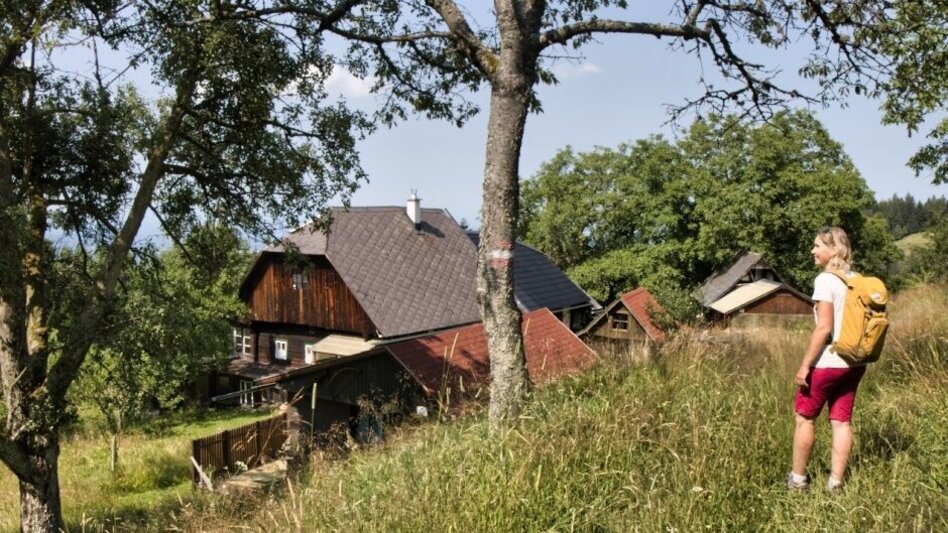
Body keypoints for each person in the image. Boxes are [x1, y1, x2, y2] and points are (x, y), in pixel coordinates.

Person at [787, 226, 867, 492]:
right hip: (855, 362)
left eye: (818, 246)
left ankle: (797, 480)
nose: (813, 250)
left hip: (829, 362)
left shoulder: (826, 280)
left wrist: (804, 365)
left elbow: (824, 327)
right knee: (841, 421)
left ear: (834, 249)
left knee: (804, 418)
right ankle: (835, 484)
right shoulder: (857, 278)